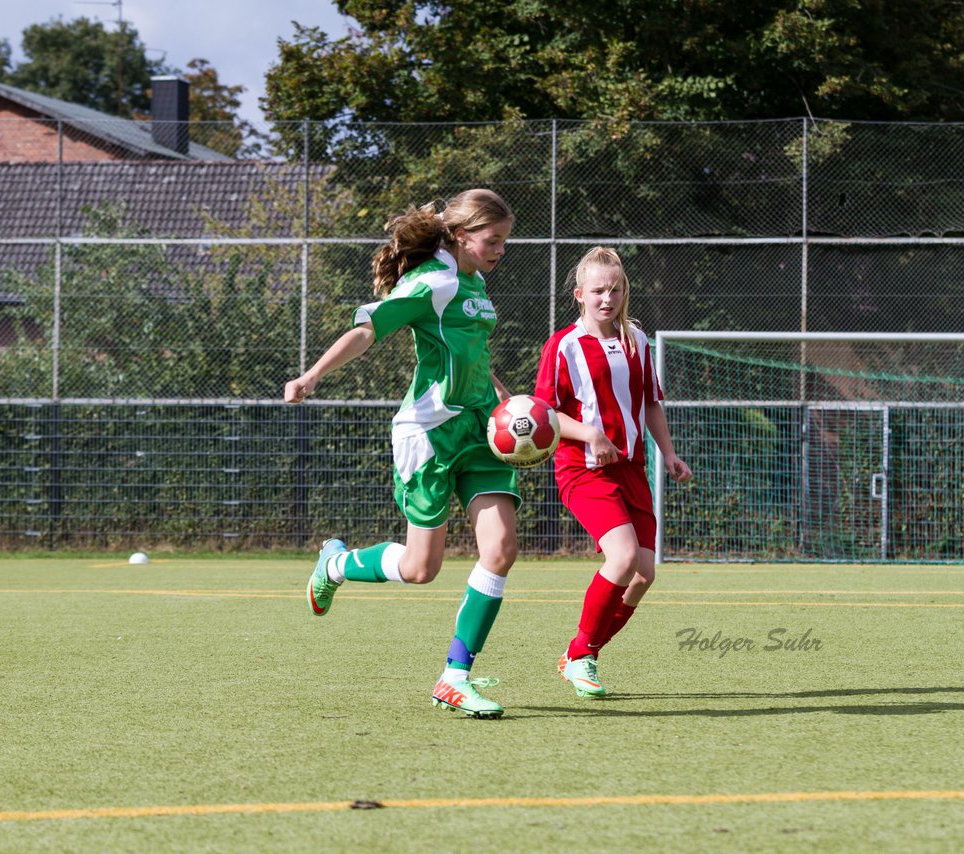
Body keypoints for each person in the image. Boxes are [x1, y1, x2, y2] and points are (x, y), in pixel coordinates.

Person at [283, 188, 520, 718]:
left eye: (505, 240)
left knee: (501, 547)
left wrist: (505, 398)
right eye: (493, 239)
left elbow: (471, 353)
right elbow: (368, 329)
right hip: (429, 434)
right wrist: (312, 375)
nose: (501, 249)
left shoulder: (474, 282)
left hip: (479, 431)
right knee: (420, 569)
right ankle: (337, 564)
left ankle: (454, 677)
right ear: (461, 236)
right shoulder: (430, 283)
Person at [534, 247, 693, 697]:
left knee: (643, 575)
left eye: (616, 288)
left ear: (625, 291)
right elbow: (544, 413)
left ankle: (580, 655)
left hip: (631, 468)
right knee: (621, 559)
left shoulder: (637, 341)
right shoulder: (563, 345)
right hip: (582, 469)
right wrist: (590, 435)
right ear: (579, 294)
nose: (608, 297)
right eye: (598, 290)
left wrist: (670, 453)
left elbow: (650, 402)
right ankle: (582, 655)